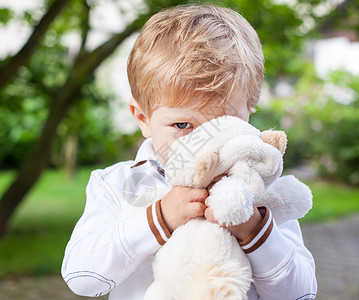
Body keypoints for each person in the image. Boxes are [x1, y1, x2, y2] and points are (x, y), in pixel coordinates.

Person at [61, 4, 317, 299]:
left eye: (223, 122)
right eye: (182, 124)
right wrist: (158, 219)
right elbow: (82, 278)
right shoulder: (119, 186)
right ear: (143, 118)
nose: (205, 142)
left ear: (250, 109)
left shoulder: (260, 189)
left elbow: (301, 294)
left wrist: (254, 232)